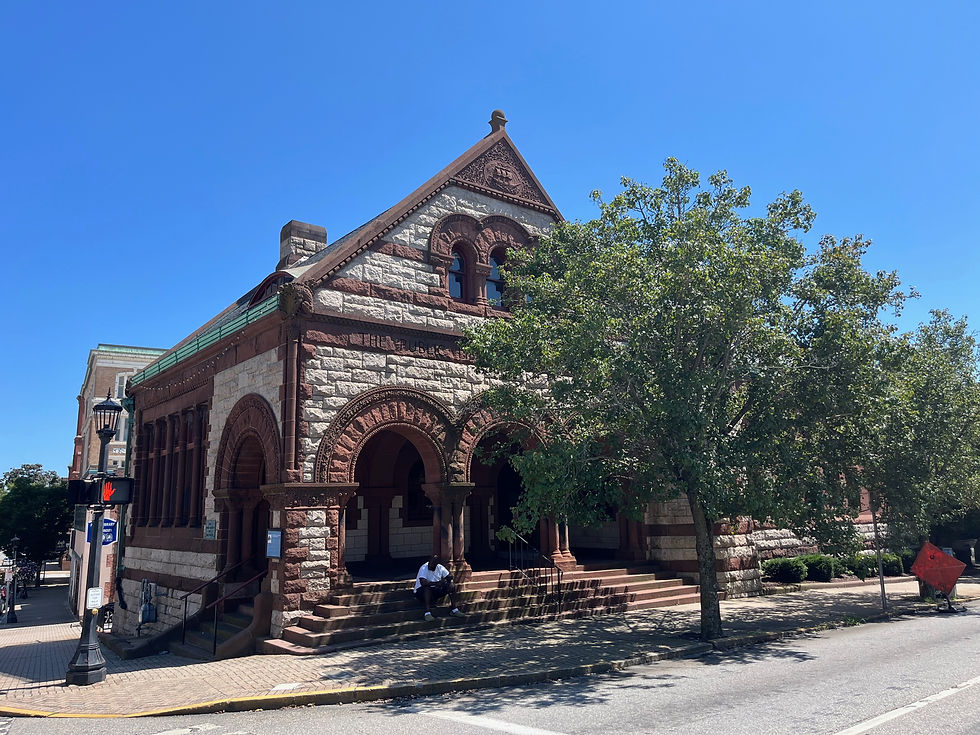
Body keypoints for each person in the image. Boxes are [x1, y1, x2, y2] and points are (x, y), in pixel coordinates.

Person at [414, 555, 464, 621]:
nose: (430, 566)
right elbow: (423, 582)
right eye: (430, 563)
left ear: (437, 564)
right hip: (421, 593)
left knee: (451, 586)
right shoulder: (424, 567)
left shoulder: (440, 567)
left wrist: (447, 579)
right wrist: (437, 583)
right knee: (427, 588)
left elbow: (448, 576)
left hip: (435, 591)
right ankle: (427, 613)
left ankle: (454, 609)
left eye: (433, 564)